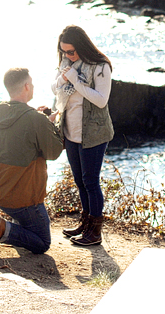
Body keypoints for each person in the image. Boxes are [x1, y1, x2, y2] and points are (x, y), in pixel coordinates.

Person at [0, 67, 63, 254]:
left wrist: (39, 120)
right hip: (21, 196)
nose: (32, 87)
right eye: (31, 84)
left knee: (24, 221)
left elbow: (13, 137)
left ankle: (11, 225)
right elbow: (54, 152)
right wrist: (50, 125)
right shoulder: (36, 120)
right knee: (42, 242)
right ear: (26, 86)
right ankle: (1, 228)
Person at [51, 25, 114, 246]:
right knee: (79, 180)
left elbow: (101, 100)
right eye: (64, 51)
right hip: (70, 130)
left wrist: (76, 82)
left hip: (93, 132)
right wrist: (64, 78)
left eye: (71, 51)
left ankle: (94, 233)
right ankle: (85, 224)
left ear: (82, 46)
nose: (67, 55)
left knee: (90, 181)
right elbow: (55, 88)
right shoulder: (67, 64)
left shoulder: (100, 66)